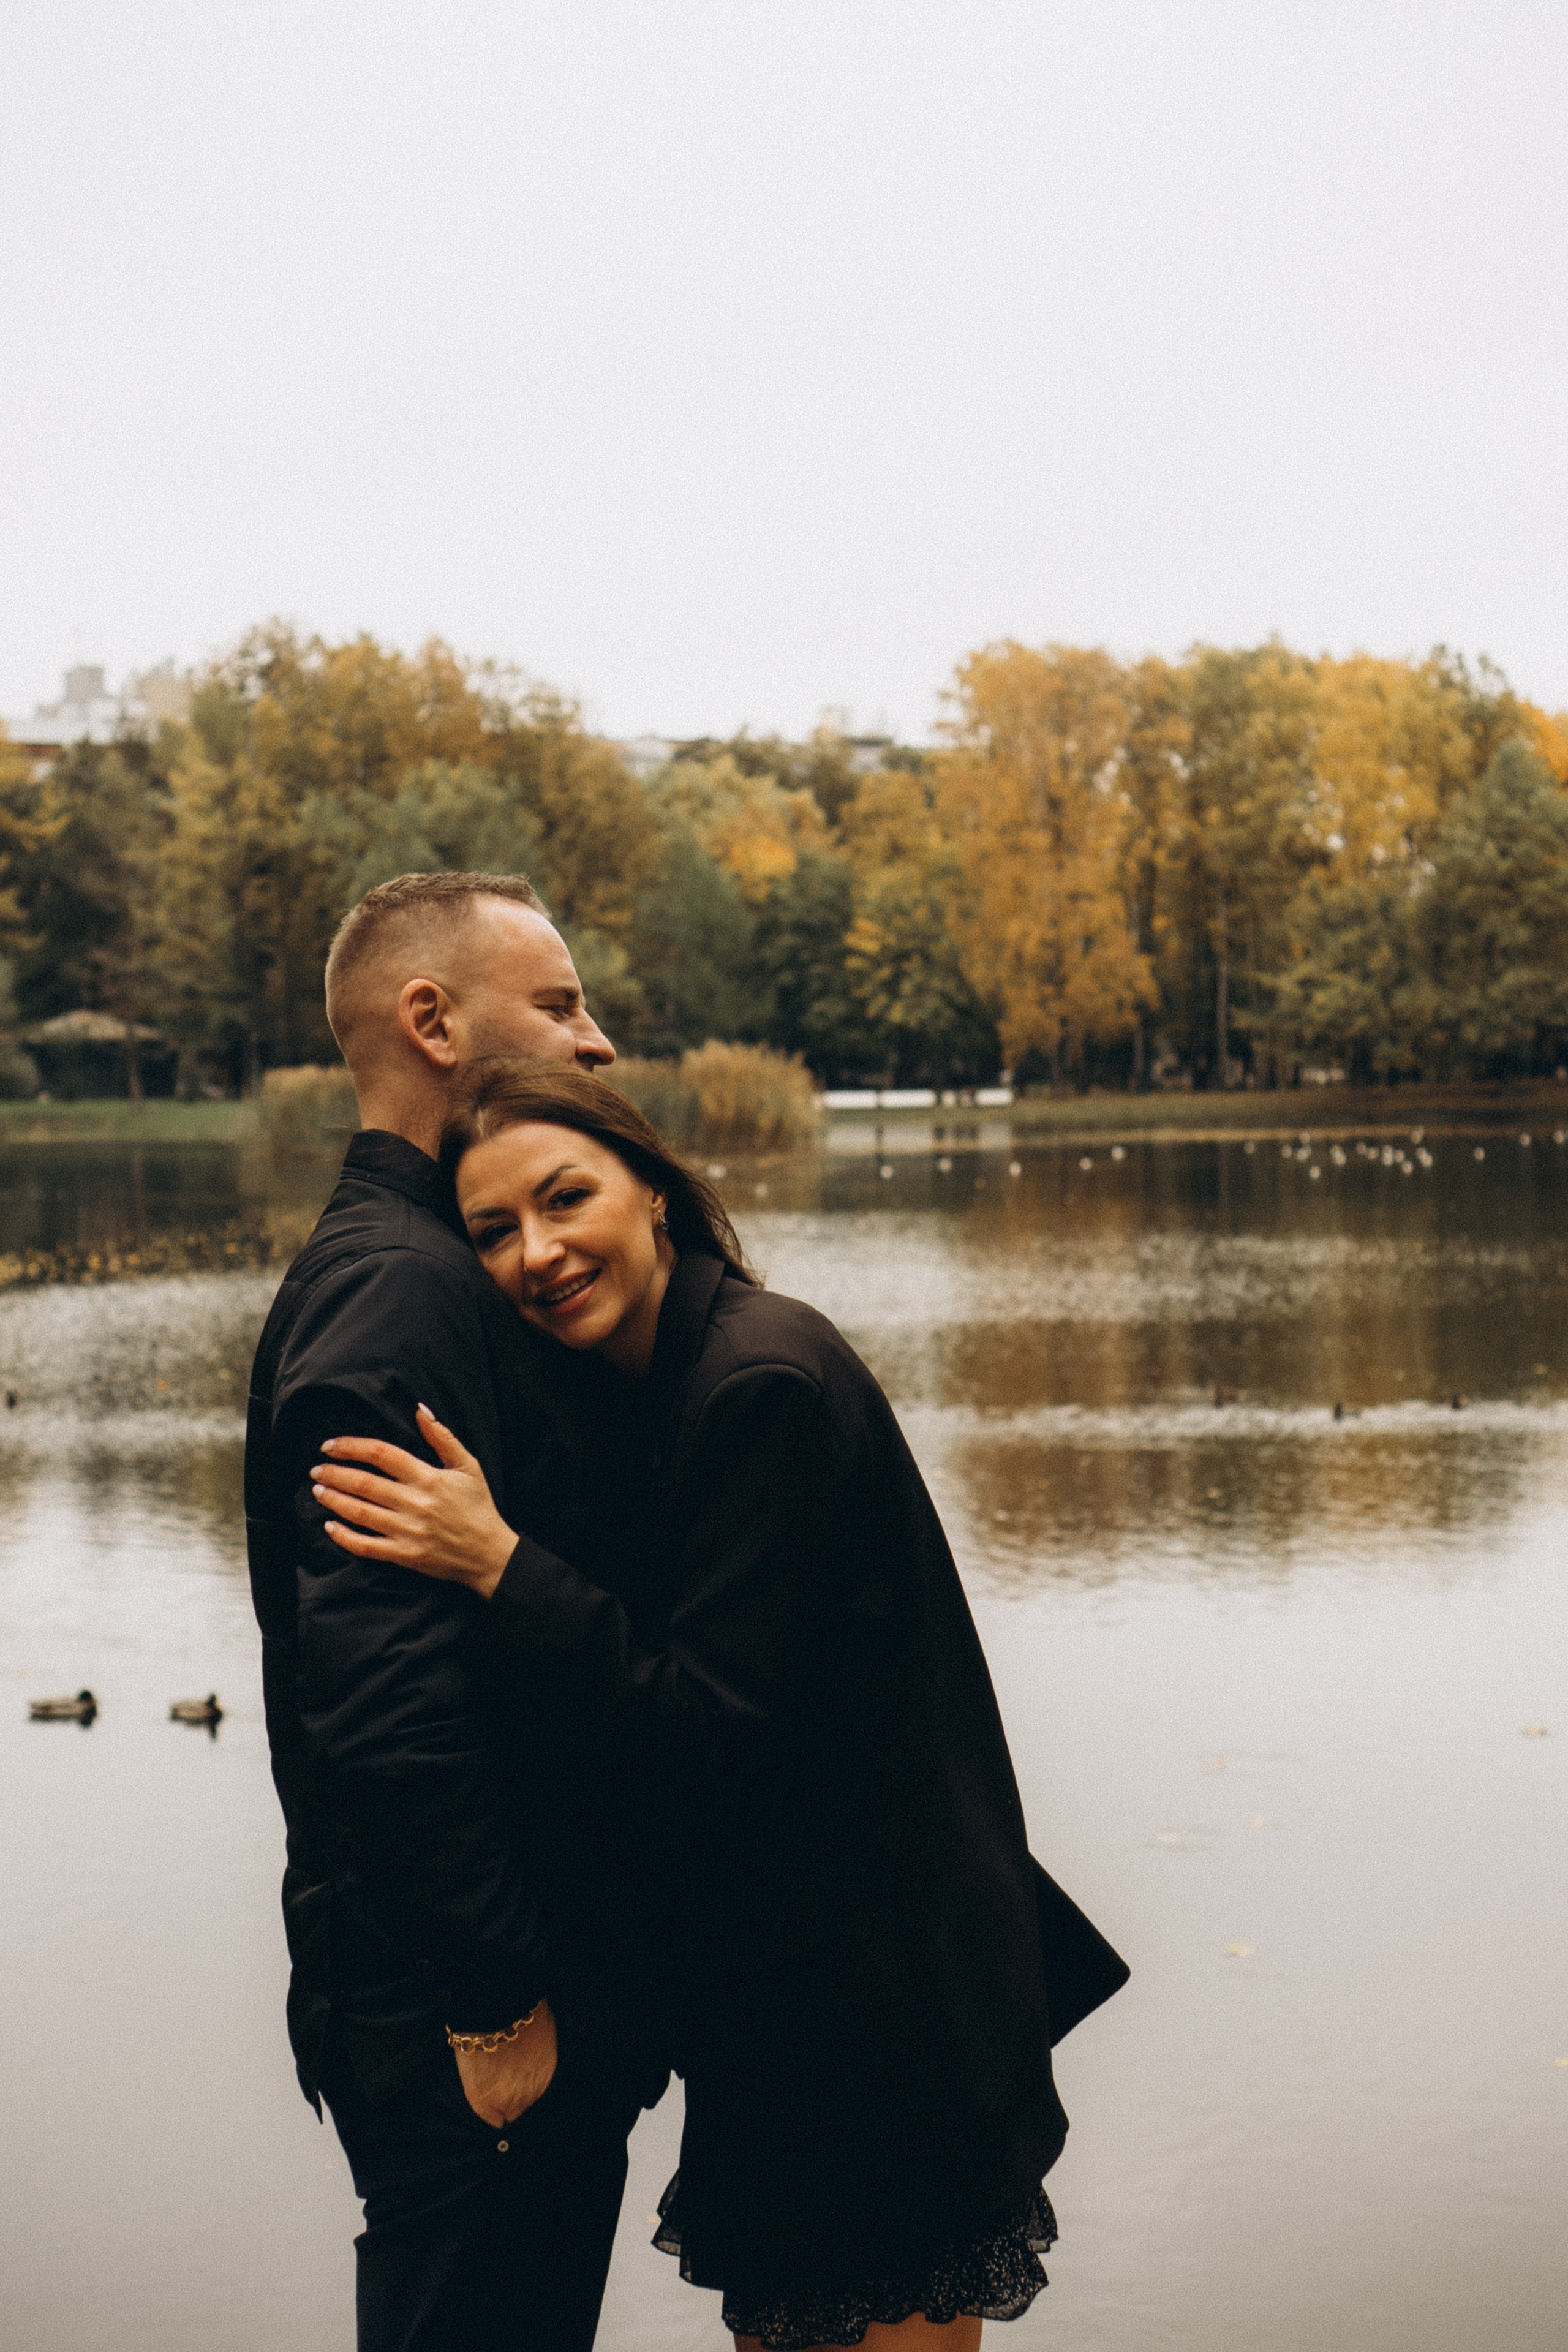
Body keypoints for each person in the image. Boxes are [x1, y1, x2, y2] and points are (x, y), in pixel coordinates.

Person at [309, 1061, 1129, 2352]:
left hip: (878, 2030)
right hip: (789, 2019)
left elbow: (706, 1735)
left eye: (564, 1197)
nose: (537, 1250)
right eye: (492, 1232)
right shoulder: (664, 1382)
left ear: (651, 1188)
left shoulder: (759, 1389)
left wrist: (496, 1563)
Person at [245, 874, 666, 2352]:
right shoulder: (399, 1293)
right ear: (432, 1020)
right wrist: (497, 2006)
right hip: (464, 2013)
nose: (594, 1041)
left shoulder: (439, 1265)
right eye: (556, 1004)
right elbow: (378, 1690)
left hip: (482, 1990)